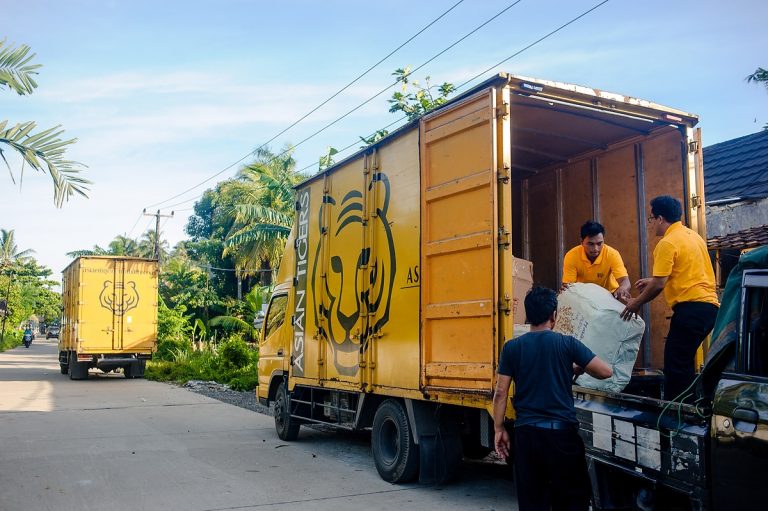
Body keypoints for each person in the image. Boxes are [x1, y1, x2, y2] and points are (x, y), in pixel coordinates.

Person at [493, 287, 612, 511]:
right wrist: (579, 366)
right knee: (570, 501)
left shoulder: (512, 348)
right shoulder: (567, 344)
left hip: (527, 437)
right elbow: (605, 371)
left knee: (532, 503)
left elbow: (500, 393)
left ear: (528, 316)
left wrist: (499, 428)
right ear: (554, 316)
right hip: (562, 438)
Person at [620, 195, 719, 401]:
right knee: (683, 362)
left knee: (675, 365)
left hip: (690, 310)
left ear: (660, 219)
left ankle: (678, 415)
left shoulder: (667, 243)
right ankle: (693, 404)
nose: (651, 223)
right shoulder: (693, 237)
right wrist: (652, 279)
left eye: (651, 218)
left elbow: (659, 284)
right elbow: (683, 271)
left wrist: (635, 303)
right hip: (710, 310)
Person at [562, 221, 631, 303]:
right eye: (590, 244)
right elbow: (568, 286)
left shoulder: (612, 254)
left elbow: (625, 281)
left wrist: (622, 288)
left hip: (609, 296)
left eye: (599, 243)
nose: (595, 249)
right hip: (581, 298)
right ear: (581, 241)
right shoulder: (571, 255)